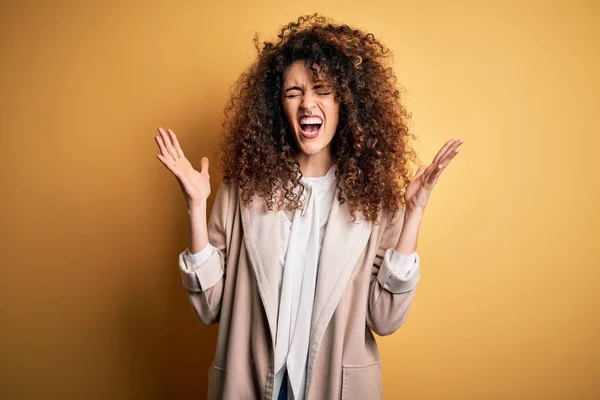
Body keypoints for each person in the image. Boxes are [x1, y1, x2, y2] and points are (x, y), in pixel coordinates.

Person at [154, 13, 462, 400]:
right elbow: (209, 307)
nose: (307, 104)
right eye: (293, 92)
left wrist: (414, 212)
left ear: (346, 102)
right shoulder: (242, 190)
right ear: (277, 107)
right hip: (253, 387)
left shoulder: (375, 200)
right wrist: (196, 207)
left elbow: (383, 318)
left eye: (322, 89)